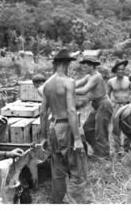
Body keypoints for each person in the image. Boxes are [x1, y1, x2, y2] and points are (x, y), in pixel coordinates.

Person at [40, 48, 87, 204]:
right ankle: (72, 203)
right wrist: (78, 138)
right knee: (78, 172)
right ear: (67, 64)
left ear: (55, 64)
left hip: (54, 127)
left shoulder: (47, 84)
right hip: (67, 127)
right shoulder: (69, 82)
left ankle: (57, 203)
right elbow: (71, 111)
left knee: (58, 171)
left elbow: (43, 113)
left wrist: (43, 136)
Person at [76, 56, 113, 159]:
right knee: (87, 128)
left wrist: (68, 90)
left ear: (92, 66)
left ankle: (105, 155)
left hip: (104, 105)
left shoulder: (96, 76)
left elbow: (84, 90)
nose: (84, 68)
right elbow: (77, 84)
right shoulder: (89, 76)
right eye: (83, 66)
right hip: (97, 106)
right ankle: (98, 151)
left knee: (101, 132)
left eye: (86, 66)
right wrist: (65, 85)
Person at [107, 59, 131, 153]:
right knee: (116, 128)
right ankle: (118, 150)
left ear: (124, 70)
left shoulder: (128, 80)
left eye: (122, 69)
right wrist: (109, 106)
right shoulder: (111, 81)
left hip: (127, 105)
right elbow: (107, 95)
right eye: (118, 69)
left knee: (128, 127)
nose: (120, 71)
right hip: (116, 106)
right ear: (115, 70)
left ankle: (126, 148)